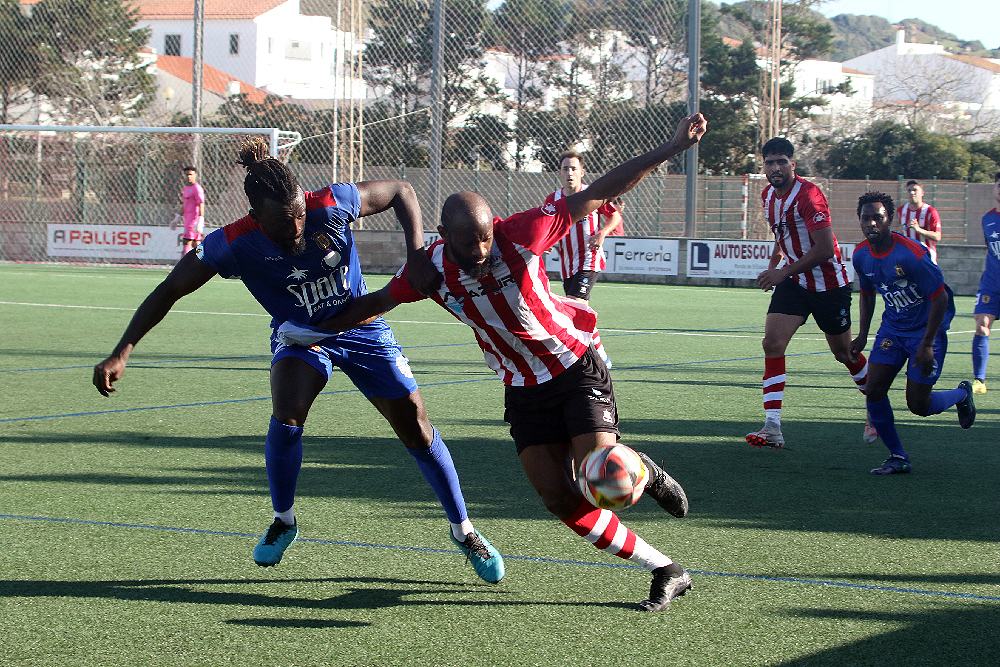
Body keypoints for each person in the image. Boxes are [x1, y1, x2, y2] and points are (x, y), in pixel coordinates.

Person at [288, 113, 708, 611]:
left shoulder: (525, 231)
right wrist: (309, 327)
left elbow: (601, 190)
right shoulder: (429, 273)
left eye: (487, 236)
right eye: (469, 242)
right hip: (523, 388)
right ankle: (666, 568)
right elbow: (372, 304)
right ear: (443, 233)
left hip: (575, 366)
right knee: (557, 497)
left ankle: (647, 471)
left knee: (600, 474)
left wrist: (671, 146)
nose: (482, 249)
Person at [93, 137, 505, 583]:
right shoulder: (232, 243)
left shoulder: (331, 203)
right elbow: (169, 289)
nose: (295, 229)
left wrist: (414, 256)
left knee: (415, 425)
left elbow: (402, 191)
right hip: (301, 336)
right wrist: (123, 350)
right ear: (255, 218)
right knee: (287, 414)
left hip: (361, 324)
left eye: (299, 217)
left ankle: (464, 531)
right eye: (281, 223)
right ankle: (284, 520)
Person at [746, 137, 873, 449]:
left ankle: (877, 405)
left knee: (844, 354)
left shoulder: (810, 195)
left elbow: (826, 249)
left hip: (829, 283)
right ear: (763, 166)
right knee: (772, 343)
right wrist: (775, 264)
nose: (775, 168)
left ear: (793, 164)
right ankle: (772, 427)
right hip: (795, 282)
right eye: (770, 162)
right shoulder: (767, 196)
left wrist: (782, 271)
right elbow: (783, 234)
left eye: (782, 162)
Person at [849, 191, 975, 474]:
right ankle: (898, 456)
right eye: (865, 218)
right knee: (874, 390)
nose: (871, 224)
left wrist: (928, 344)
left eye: (877, 218)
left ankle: (961, 394)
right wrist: (862, 335)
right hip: (892, 330)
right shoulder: (860, 255)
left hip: (926, 332)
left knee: (919, 405)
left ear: (889, 220)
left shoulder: (912, 253)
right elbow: (867, 295)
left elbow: (940, 298)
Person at [544, 151, 623, 367]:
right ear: (559, 173)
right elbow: (548, 226)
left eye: (574, 168)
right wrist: (547, 243)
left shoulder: (592, 193)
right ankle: (592, 354)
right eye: (566, 169)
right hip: (567, 264)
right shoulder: (554, 199)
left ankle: (599, 357)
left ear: (581, 172)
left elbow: (615, 215)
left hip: (590, 259)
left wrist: (602, 233)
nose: (570, 173)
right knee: (577, 311)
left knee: (578, 306)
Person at [971, 172, 1000, 395]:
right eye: (998, 185)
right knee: (981, 326)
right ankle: (979, 380)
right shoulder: (986, 219)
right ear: (994, 189)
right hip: (991, 284)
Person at [896, 179, 942, 263]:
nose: (912, 193)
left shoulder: (930, 211)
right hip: (908, 257)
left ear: (922, 193)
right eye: (909, 190)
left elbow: (937, 237)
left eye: (915, 190)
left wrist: (919, 230)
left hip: (926, 257)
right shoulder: (901, 210)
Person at [174, 166, 206, 257]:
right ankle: (203, 265)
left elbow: (201, 205)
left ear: (195, 175)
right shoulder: (186, 188)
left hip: (193, 221)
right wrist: (177, 218)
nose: (188, 176)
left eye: (190, 174)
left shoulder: (197, 188)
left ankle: (182, 269)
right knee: (196, 245)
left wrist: (200, 221)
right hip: (187, 220)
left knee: (186, 241)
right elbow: (185, 205)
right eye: (187, 174)